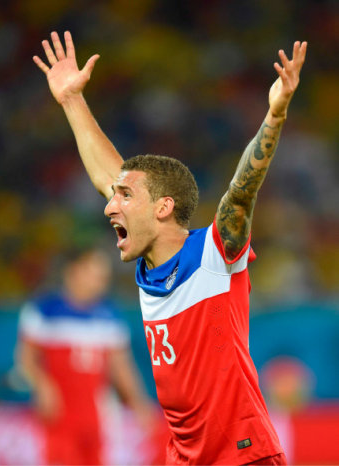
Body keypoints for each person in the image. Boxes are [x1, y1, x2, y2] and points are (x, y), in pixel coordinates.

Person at [32, 30, 307, 465]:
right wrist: (71, 100)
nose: (109, 207)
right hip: (183, 457)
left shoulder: (214, 256)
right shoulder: (149, 259)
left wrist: (274, 116)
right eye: (113, 196)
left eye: (124, 197)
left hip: (242, 455)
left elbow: (242, 190)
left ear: (163, 207)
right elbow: (108, 173)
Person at [17, 248, 156, 465]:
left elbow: (121, 367)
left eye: (103, 277)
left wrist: (139, 402)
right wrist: (42, 385)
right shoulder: (44, 310)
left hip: (97, 416)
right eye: (95, 274)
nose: (100, 283)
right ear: (74, 271)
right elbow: (25, 360)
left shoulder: (109, 316)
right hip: (59, 413)